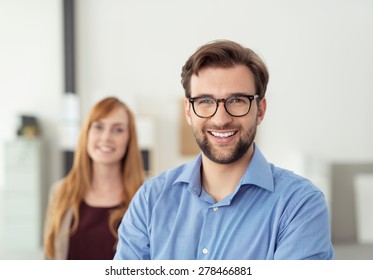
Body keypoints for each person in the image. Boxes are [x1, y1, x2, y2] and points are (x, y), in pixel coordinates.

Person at [114, 40, 334, 260]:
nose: (221, 119)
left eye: (237, 100)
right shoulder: (150, 199)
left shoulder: (300, 205)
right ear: (189, 111)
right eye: (206, 101)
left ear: (260, 110)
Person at [44, 96, 144, 259]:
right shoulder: (60, 192)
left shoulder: (146, 195)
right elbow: (50, 257)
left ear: (129, 139)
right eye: (98, 127)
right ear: (87, 133)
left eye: (118, 130)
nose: (106, 137)